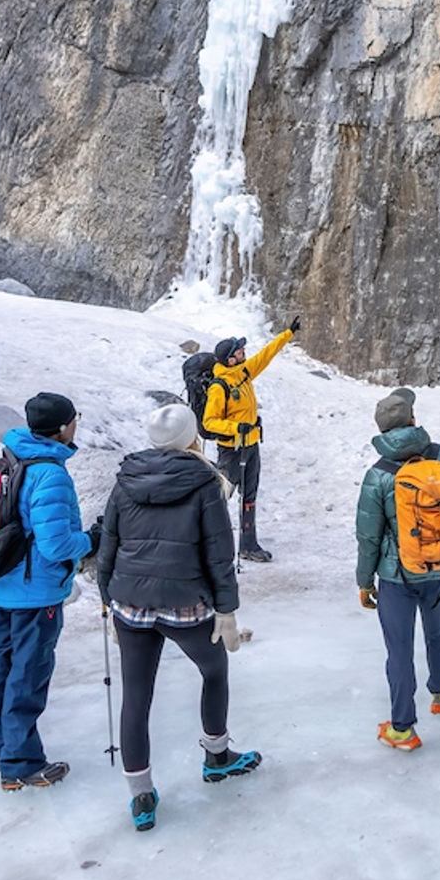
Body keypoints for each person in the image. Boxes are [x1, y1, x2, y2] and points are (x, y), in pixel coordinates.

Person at [97, 403, 261, 832]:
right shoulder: (205, 480)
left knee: (136, 696)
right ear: (192, 437)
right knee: (215, 672)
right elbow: (219, 553)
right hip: (186, 604)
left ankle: (141, 795)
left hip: (130, 606)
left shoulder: (126, 479)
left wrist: (107, 602)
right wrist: (225, 610)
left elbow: (108, 547)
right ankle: (217, 755)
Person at [0, 391, 97, 790]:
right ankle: (21, 762)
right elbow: (55, 545)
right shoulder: (50, 473)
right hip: (35, 592)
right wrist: (91, 541)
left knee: (2, 669)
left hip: (3, 587)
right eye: (74, 418)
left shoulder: (9, 460)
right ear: (63, 427)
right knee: (27, 674)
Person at [355, 386, 440, 752]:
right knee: (439, 633)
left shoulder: (378, 475)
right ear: (413, 420)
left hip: (397, 576)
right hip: (439, 566)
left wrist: (364, 581)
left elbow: (369, 538)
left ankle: (402, 729)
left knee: (400, 649)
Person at [200, 319, 300, 562]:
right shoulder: (219, 386)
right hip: (231, 450)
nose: (244, 353)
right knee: (221, 495)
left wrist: (288, 334)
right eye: (239, 351)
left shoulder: (243, 373)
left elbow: (266, 355)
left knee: (249, 495)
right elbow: (209, 422)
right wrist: (237, 428)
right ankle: (205, 541)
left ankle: (248, 544)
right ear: (230, 359)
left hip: (251, 445)